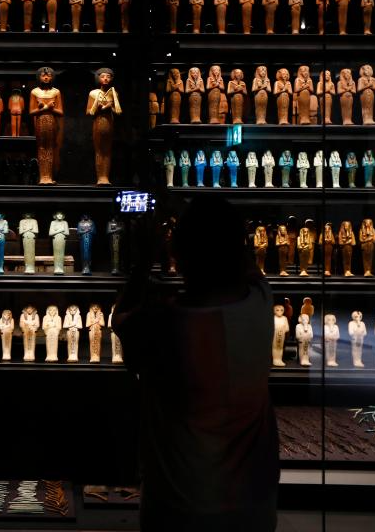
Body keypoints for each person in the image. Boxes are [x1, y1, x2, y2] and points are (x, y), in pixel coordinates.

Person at [112, 196, 279, 531]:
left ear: (177, 253)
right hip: (253, 502)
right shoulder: (261, 302)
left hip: (181, 505)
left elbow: (121, 320)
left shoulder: (165, 324)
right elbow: (245, 263)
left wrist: (145, 258)